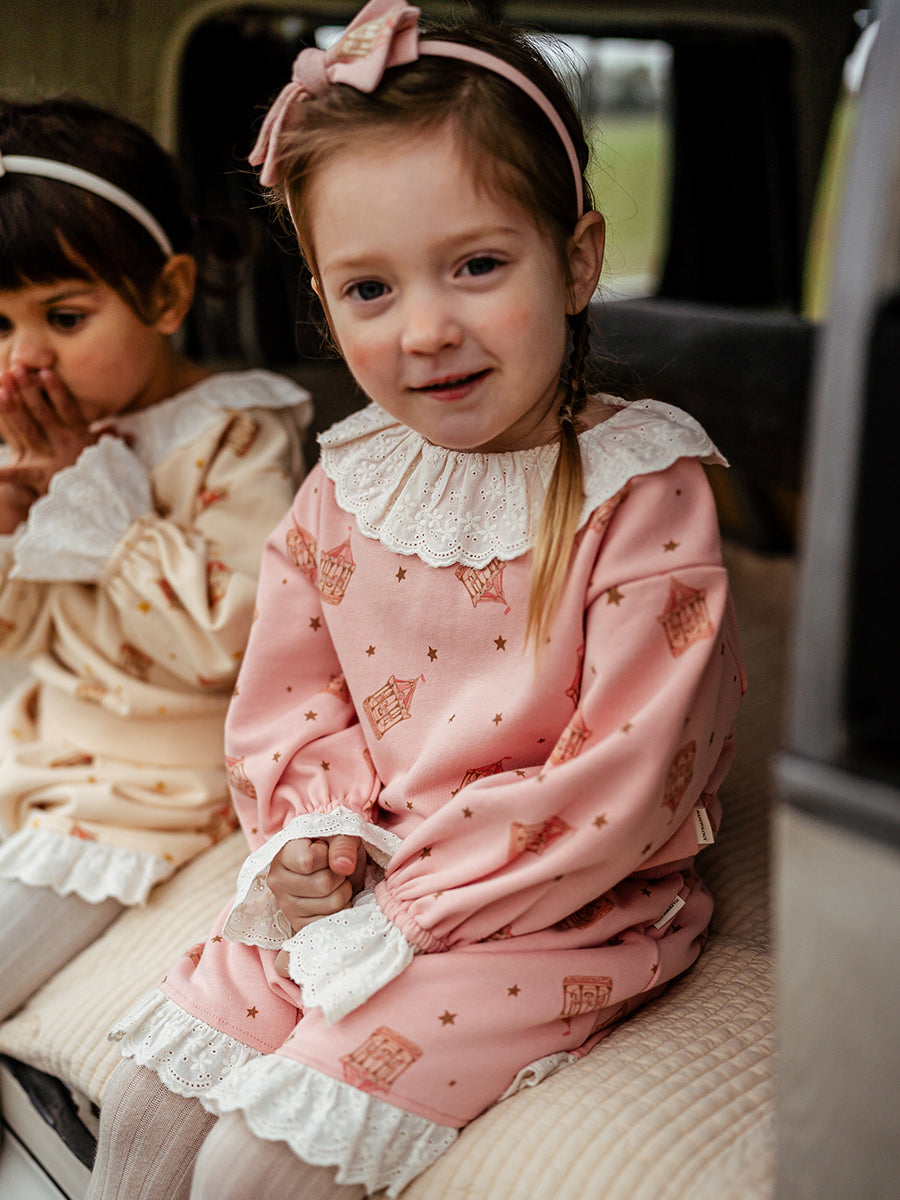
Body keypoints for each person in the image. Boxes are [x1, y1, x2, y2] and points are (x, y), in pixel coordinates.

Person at [88, 3, 745, 1197]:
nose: (428, 330)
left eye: (478, 267)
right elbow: (291, 701)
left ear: (578, 261)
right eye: (369, 289)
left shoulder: (642, 492)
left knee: (258, 1165)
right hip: (368, 874)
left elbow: (632, 772)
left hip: (556, 902)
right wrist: (314, 837)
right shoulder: (347, 482)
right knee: (149, 1102)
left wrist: (415, 907)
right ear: (324, 299)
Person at [0, 96, 311, 1021]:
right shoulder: (35, 427)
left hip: (150, 788)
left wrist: (94, 498)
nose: (23, 361)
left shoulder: (233, 436)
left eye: (63, 317)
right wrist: (15, 530)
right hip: (32, 750)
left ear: (167, 297)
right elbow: (19, 637)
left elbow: (235, 647)